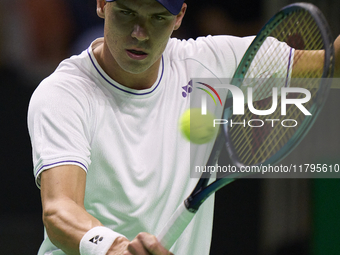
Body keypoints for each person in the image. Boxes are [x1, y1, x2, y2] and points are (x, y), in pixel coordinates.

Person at [27, 0, 340, 255]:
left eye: (158, 18)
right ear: (101, 5)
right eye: (126, 13)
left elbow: (331, 63)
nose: (139, 32)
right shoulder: (63, 94)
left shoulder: (212, 64)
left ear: (179, 17)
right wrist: (113, 248)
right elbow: (59, 209)